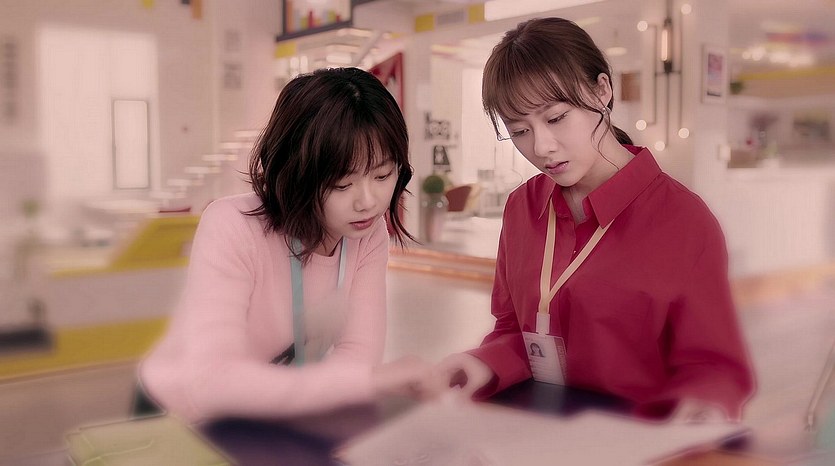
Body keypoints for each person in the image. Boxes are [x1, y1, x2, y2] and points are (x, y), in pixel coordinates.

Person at [430, 18, 755, 422]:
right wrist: (482, 363)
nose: (542, 147)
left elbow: (712, 366)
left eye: (556, 118)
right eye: (519, 131)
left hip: (637, 436)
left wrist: (704, 405)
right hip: (534, 428)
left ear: (602, 90)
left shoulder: (684, 221)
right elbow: (514, 329)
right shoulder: (522, 207)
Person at [139, 67, 430, 423]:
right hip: (180, 414)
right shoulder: (232, 225)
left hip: (277, 413)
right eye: (342, 184)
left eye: (382, 175)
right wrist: (362, 383)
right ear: (296, 173)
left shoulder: (369, 234)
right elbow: (212, 382)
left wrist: (353, 384)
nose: (368, 201)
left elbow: (358, 355)